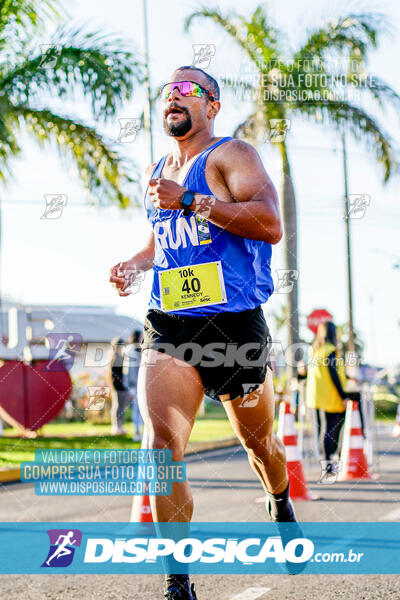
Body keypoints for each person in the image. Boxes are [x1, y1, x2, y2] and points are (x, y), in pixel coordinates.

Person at [110, 66, 302, 599]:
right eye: (167, 92)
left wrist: (193, 199)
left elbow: (269, 223)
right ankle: (178, 583)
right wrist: (134, 263)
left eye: (186, 90)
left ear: (211, 105)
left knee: (259, 443)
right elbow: (162, 240)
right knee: (162, 446)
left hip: (234, 323)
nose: (172, 98)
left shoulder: (230, 155)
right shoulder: (159, 169)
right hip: (170, 323)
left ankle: (280, 499)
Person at [306, 321, 348, 473]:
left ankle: (328, 462)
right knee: (331, 428)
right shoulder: (330, 350)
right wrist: (343, 395)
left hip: (315, 395)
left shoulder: (314, 350)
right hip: (330, 395)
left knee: (325, 428)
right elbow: (333, 374)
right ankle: (329, 463)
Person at [108, 336, 130, 435]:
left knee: (121, 407)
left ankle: (120, 426)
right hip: (118, 386)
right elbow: (114, 374)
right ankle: (116, 427)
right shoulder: (115, 357)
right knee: (117, 407)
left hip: (121, 385)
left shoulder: (120, 356)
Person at [125, 329, 144, 441]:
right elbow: (128, 371)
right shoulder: (131, 350)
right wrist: (130, 387)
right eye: (140, 336)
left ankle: (142, 433)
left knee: (142, 410)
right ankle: (137, 433)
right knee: (137, 410)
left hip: (140, 384)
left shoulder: (140, 349)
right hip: (134, 385)